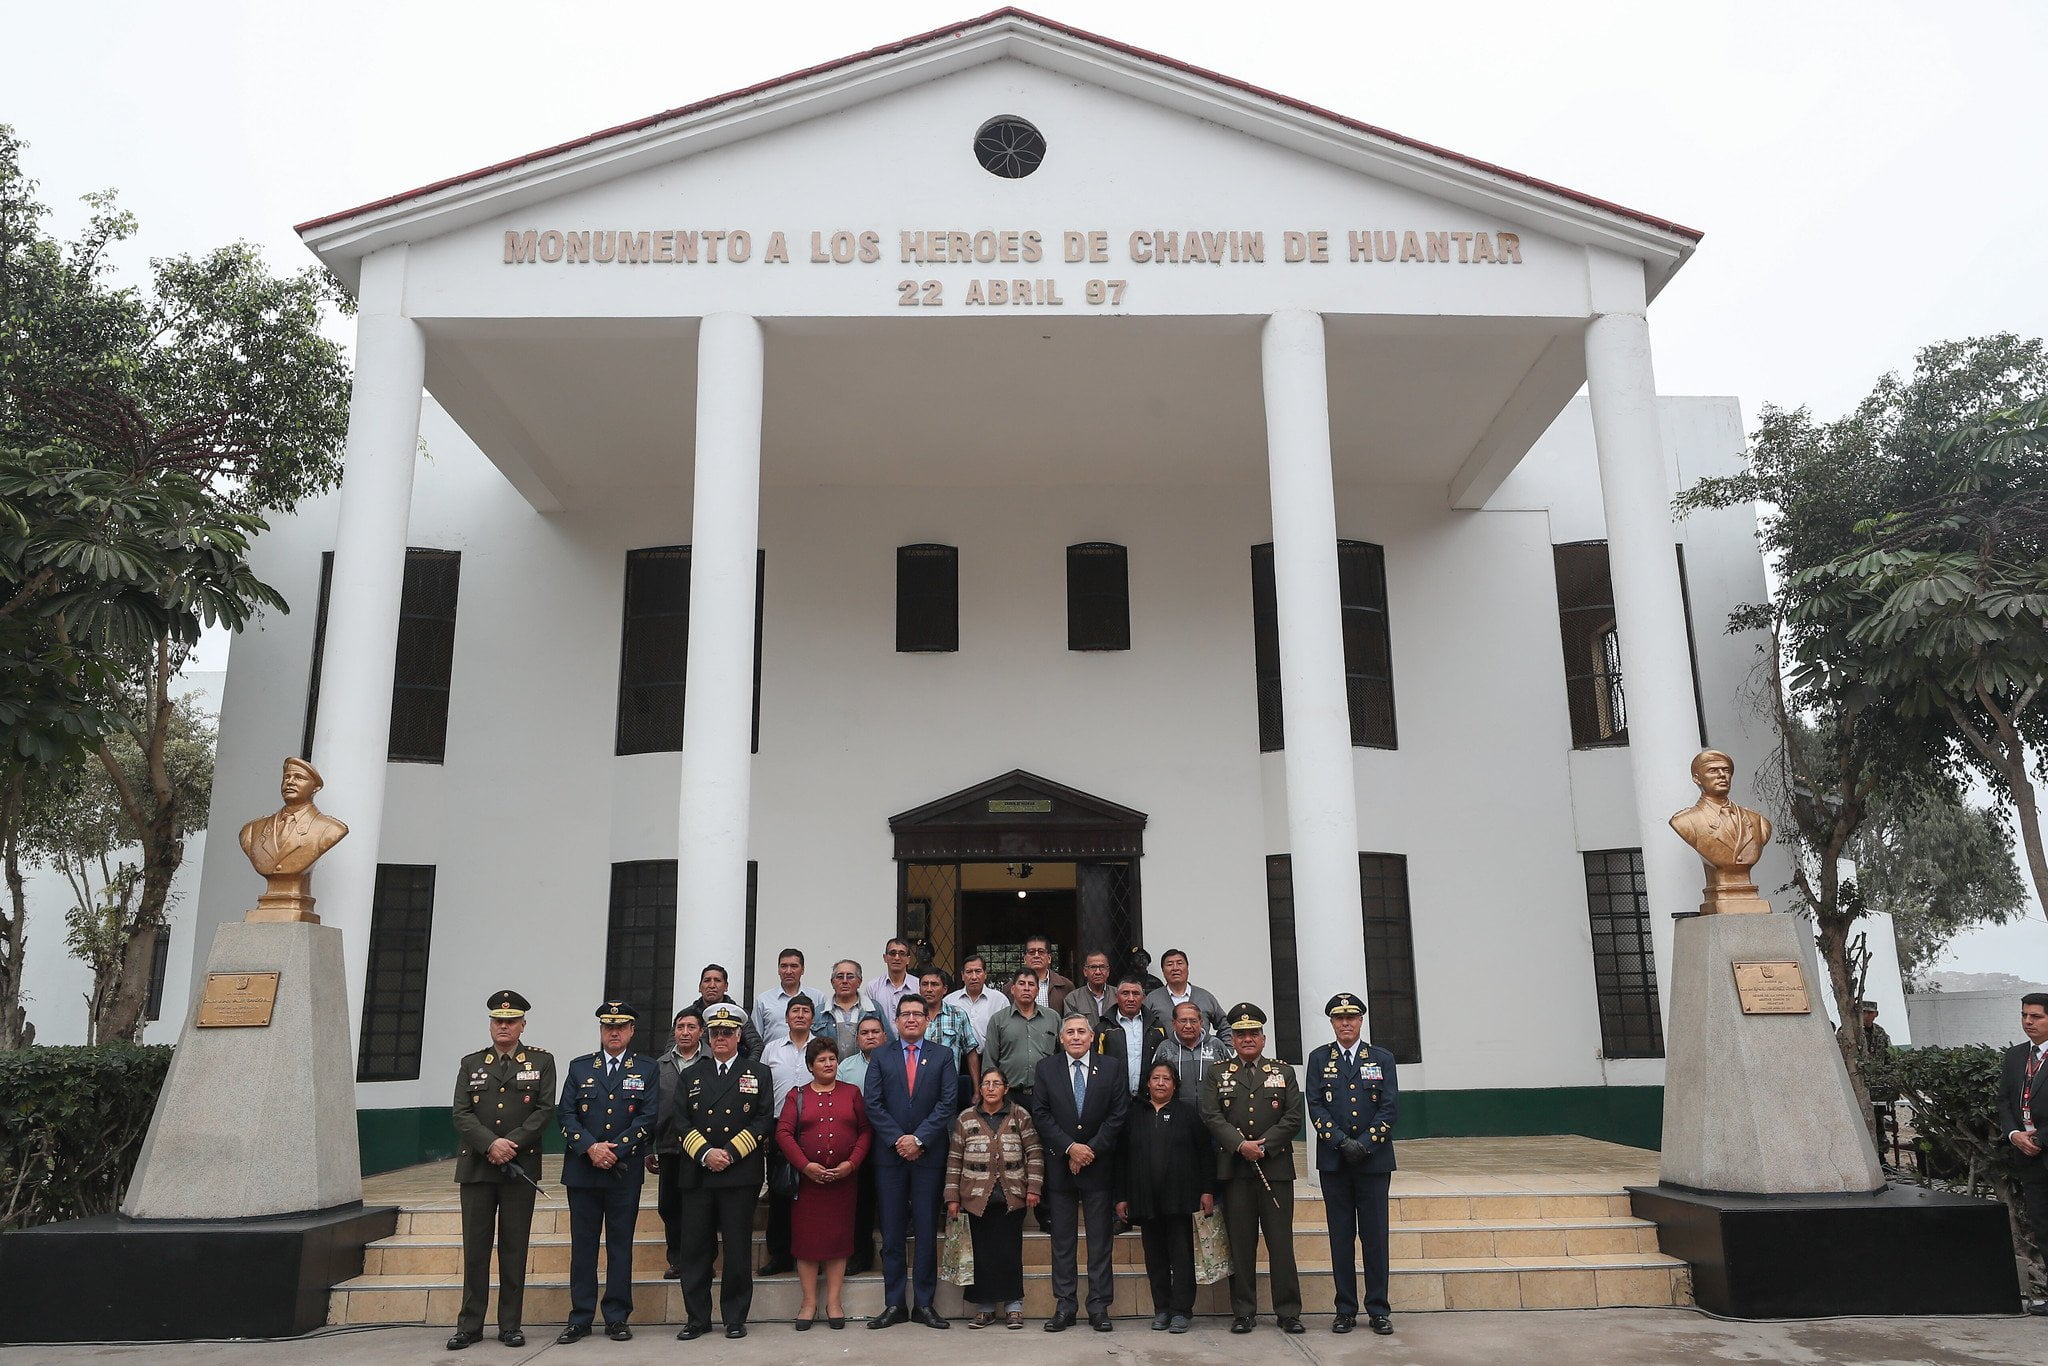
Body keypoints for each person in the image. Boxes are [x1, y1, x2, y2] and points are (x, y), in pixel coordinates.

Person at [447, 989, 555, 1351]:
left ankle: (510, 1324)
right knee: (475, 1249)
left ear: (523, 1024)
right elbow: (461, 1113)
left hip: (518, 1167)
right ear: (490, 1024)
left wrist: (510, 1144)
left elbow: (543, 1111)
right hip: (478, 1167)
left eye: (511, 1021)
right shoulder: (471, 1063)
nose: (503, 1026)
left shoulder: (541, 1062)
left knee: (514, 1248)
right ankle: (470, 1324)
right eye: (498, 1020)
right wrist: (490, 1144)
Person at [670, 1001, 775, 1340]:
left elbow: (762, 1119)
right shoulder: (690, 1074)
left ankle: (734, 1316)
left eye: (727, 1032)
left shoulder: (757, 1073)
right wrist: (706, 1154)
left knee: (737, 1247)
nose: (720, 1038)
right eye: (714, 1032)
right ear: (706, 1035)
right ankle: (697, 1318)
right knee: (696, 1250)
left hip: (738, 1174)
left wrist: (728, 1153)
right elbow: (681, 1122)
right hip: (699, 1174)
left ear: (739, 1035)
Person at [556, 1000, 657, 1343]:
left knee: (620, 1245)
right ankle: (580, 1317)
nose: (614, 1032)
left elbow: (648, 1117)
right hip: (584, 1171)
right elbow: (566, 1116)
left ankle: (616, 1316)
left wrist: (616, 1149)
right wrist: (591, 1148)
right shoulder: (580, 1067)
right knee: (583, 1247)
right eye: (607, 1026)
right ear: (601, 1031)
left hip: (622, 1171)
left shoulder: (646, 1068)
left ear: (631, 1031)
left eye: (621, 1026)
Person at [1201, 1002, 1304, 1335]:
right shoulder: (1217, 1073)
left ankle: (1288, 1311)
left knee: (1280, 1244)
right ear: (1232, 1038)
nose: (1247, 1039)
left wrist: (1264, 1145)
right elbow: (1211, 1115)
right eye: (1241, 1034)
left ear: (1263, 1037)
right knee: (1241, 1244)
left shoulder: (1283, 1071)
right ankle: (1244, 1311)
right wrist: (1239, 1144)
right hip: (1235, 1171)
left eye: (1253, 1034)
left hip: (1274, 1169)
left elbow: (1293, 1117)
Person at [1031, 1011, 1130, 1332]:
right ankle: (1065, 1305)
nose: (1075, 1036)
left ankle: (1099, 1306)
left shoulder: (1112, 1068)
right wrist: (1070, 1148)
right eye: (1069, 1032)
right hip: (1061, 1167)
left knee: (1100, 1241)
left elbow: (1118, 1114)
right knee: (1062, 1241)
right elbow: (1041, 1114)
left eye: (1081, 1032)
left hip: (1099, 1167)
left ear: (1091, 1037)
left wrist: (1090, 1150)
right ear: (1061, 1039)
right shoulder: (1046, 1068)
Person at [864, 994, 958, 1329]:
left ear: (927, 1020)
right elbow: (872, 1103)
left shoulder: (943, 1056)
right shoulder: (880, 1056)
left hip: (928, 1155)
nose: (912, 1019)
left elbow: (947, 1103)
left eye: (918, 1014)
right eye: (906, 1014)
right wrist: (898, 1139)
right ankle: (894, 1304)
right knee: (891, 1232)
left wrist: (918, 1139)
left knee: (925, 1231)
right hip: (890, 1157)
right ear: (896, 1020)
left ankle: (924, 1304)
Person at [1307, 992, 1398, 1336]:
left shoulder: (1381, 1057)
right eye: (1339, 1018)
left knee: (1375, 1238)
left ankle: (1378, 1309)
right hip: (1335, 1161)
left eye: (1352, 1017)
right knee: (1340, 1238)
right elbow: (1315, 1105)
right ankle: (1345, 1308)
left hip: (1373, 1162)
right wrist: (1341, 1142)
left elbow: (1390, 1107)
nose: (1345, 1023)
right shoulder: (1319, 1059)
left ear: (1361, 1021)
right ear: (1332, 1022)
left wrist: (1365, 1143)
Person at [777, 1035, 872, 1330]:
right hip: (808, 1185)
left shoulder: (852, 1092)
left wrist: (851, 1164)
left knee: (838, 1242)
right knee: (806, 1243)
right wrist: (805, 1166)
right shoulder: (797, 1095)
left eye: (832, 1058)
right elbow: (783, 1133)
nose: (828, 1064)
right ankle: (808, 1303)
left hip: (843, 1182)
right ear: (810, 1066)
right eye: (821, 1060)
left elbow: (866, 1130)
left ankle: (834, 1302)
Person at [1117, 1060, 1214, 1334]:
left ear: (1175, 1085)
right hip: (1145, 1201)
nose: (1161, 1083)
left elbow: (1206, 1154)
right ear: (1147, 1083)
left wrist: (1207, 1190)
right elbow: (1121, 1160)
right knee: (1155, 1258)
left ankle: (1182, 1311)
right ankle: (1162, 1309)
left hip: (1181, 1200)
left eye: (1167, 1079)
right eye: (1156, 1078)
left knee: (1181, 1257)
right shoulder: (1133, 1115)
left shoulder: (1188, 1114)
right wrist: (1121, 1197)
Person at [944, 1068, 1044, 1329]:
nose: (990, 1088)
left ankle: (1014, 1306)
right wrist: (952, 1196)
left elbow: (1034, 1152)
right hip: (975, 1199)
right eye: (986, 1083)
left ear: (1006, 1088)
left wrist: (1034, 1187)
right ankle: (985, 1308)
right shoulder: (965, 1118)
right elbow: (954, 1159)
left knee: (1009, 1253)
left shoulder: (1020, 1116)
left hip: (1012, 1197)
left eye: (996, 1083)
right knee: (981, 1255)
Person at [237, 756, 348, 920]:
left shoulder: (329, 829)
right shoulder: (251, 830)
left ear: (315, 788)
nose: (290, 782)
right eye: (286, 777)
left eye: (299, 778)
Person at [758, 995, 821, 1277]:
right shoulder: (771, 1049)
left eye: (805, 1011)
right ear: (786, 1018)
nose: (799, 1015)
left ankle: (813, 1252)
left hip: (816, 1125)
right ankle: (780, 1254)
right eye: (794, 1010)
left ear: (812, 1017)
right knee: (781, 1191)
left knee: (812, 1193)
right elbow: (761, 1089)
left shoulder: (820, 1047)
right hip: (778, 1125)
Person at [1668, 748, 1773, 912]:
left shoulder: (1758, 821)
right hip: (1718, 894)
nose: (1722, 775)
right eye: (1712, 771)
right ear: (1697, 778)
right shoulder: (1686, 821)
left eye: (1726, 770)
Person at [1999, 992, 2048, 1316]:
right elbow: (2004, 1101)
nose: (2028, 1022)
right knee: (2043, 1225)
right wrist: (2015, 1135)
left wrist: (2041, 1138)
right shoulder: (2016, 1056)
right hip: (2028, 1158)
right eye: (2024, 1015)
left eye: (2036, 1017)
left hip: (2043, 1145)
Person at [650, 1006, 705, 1279]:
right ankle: (678, 1259)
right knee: (670, 1206)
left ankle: (702, 1260)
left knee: (700, 1206)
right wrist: (651, 1147)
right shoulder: (659, 1065)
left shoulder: (710, 1061)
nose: (685, 1032)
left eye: (691, 1027)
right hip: (670, 1146)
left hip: (703, 1149)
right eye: (680, 1027)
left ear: (701, 1032)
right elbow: (651, 1108)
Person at [841, 1015, 890, 1274]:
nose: (870, 1036)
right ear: (857, 1038)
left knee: (889, 1201)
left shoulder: (897, 1062)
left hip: (888, 1141)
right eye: (864, 1032)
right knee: (860, 1203)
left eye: (875, 1032)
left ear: (884, 1036)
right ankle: (860, 1254)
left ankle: (890, 1254)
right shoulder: (845, 1067)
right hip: (856, 1142)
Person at [984, 967, 1059, 1117]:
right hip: (1009, 1094)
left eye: (1031, 985)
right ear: (1012, 989)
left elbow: (1062, 1056)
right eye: (1021, 983)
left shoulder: (1053, 1018)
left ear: (1037, 990)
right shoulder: (998, 1020)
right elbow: (990, 1060)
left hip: (1046, 1093)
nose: (1026, 988)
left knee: (1044, 1137)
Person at [918, 967, 981, 1106]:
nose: (929, 989)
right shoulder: (911, 1017)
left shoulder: (958, 1015)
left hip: (948, 1088)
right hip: (917, 1088)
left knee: (949, 1126)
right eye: (924, 984)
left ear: (945, 989)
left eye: (934, 984)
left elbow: (970, 1052)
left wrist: (977, 1090)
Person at [1103, 976, 1166, 1097]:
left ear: (1143, 998)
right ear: (1116, 997)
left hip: (1149, 1099)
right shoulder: (1104, 1029)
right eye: (1125, 993)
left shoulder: (1157, 1028)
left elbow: (1164, 1062)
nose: (1131, 998)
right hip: (1114, 1098)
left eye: (1136, 993)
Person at [1154, 1000, 1231, 1097]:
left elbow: (1231, 1077)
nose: (1188, 1026)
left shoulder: (1216, 1045)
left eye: (1193, 1021)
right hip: (1177, 1110)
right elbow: (1155, 1082)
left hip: (1212, 1110)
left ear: (1201, 1023)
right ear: (1173, 1023)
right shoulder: (1165, 1048)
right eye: (1183, 1021)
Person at [686, 963, 763, 1059]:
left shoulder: (738, 1014)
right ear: (700, 987)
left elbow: (757, 1046)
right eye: (707, 980)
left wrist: (745, 1069)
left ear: (726, 987)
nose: (712, 985)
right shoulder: (686, 1016)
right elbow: (672, 1049)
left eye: (717, 980)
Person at [822, 959, 885, 1076]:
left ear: (859, 982)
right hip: (828, 1077)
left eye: (850, 976)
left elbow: (888, 1042)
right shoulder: (820, 1012)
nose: (845, 981)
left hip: (868, 1074)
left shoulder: (874, 1009)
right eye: (839, 976)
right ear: (832, 982)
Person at [1143, 949, 1226, 1037]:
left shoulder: (1205, 997)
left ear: (1187, 967)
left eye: (1180, 963)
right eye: (1170, 964)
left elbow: (1225, 1026)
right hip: (1166, 1050)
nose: (1175, 968)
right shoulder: (1152, 999)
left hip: (1201, 1050)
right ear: (1163, 971)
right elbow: (1142, 1028)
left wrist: (1226, 1048)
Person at [753, 947, 823, 1048]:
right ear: (778, 970)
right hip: (773, 1059)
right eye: (784, 966)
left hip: (809, 1058)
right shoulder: (763, 999)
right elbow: (756, 1037)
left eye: (794, 966)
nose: (788, 971)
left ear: (802, 970)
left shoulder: (818, 997)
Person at [944, 954, 1006, 1043]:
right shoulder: (950, 1001)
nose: (974, 977)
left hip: (990, 1056)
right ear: (962, 975)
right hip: (958, 1056)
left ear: (985, 974)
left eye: (978, 971)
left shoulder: (999, 1000)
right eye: (969, 972)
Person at [866, 938, 919, 1035]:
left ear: (908, 959)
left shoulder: (918, 985)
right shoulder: (873, 986)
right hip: (883, 1045)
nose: (897, 958)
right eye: (892, 953)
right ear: (885, 957)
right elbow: (871, 1019)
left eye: (902, 953)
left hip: (913, 1042)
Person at [1022, 934, 1073, 1014]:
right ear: (1025, 959)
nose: (1036, 956)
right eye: (1031, 952)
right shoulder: (1011, 987)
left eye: (1041, 952)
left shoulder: (1066, 986)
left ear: (1049, 958)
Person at [1074, 951, 1114, 1019]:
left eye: (1102, 967)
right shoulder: (1073, 999)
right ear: (1085, 972)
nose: (1098, 972)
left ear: (1108, 971)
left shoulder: (1119, 996)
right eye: (1093, 967)